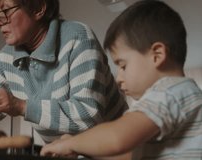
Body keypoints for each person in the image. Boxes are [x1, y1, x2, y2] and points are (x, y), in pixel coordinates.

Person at [0, 0, 127, 144]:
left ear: (39, 8)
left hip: (122, 147)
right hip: (69, 150)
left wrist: (20, 106)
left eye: (6, 11)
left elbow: (88, 116)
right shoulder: (7, 57)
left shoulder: (78, 37)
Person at [40, 0, 202, 159]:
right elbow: (126, 155)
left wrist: (72, 143)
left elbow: (117, 138)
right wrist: (82, 149)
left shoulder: (170, 91)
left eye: (123, 66)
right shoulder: (180, 96)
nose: (118, 79)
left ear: (157, 55)